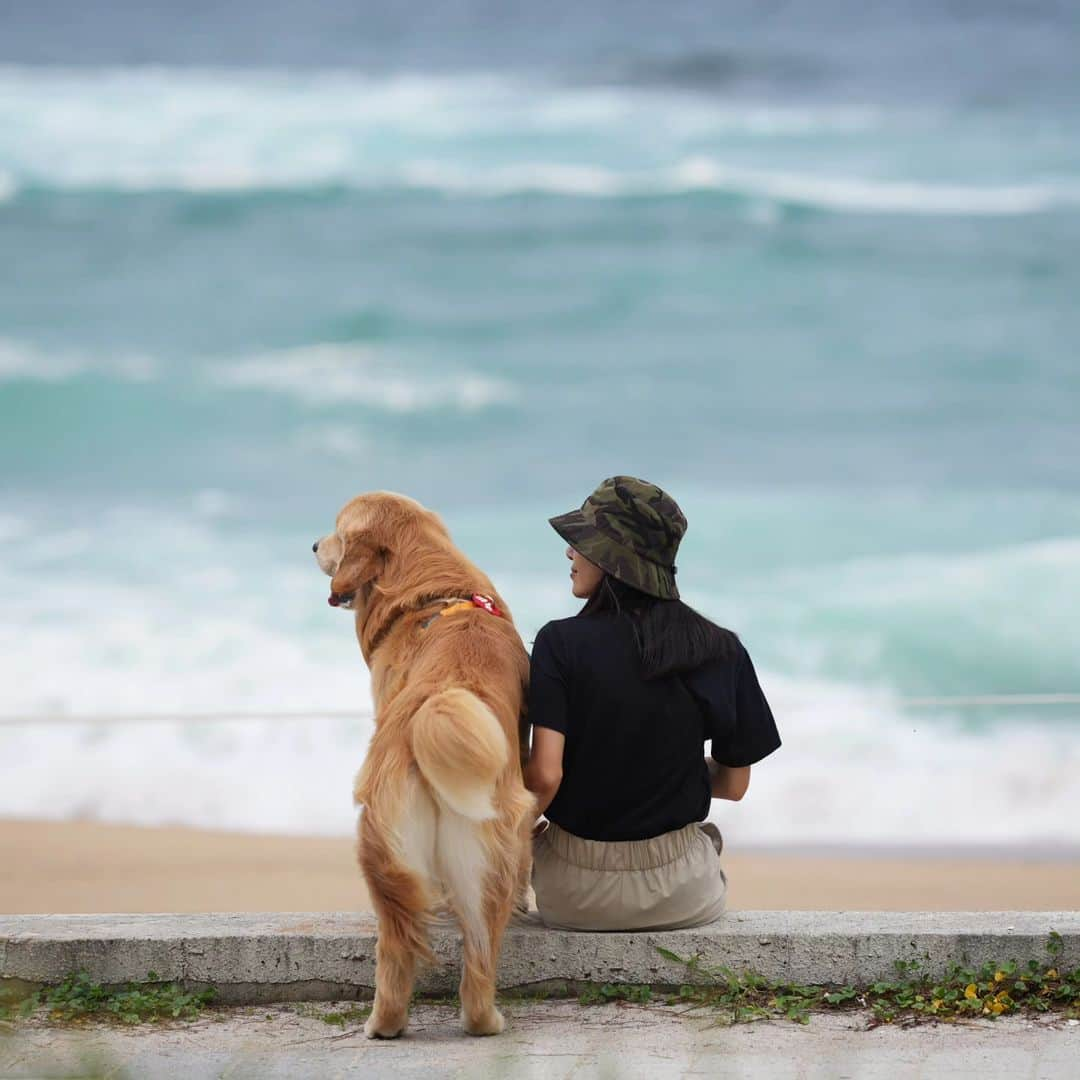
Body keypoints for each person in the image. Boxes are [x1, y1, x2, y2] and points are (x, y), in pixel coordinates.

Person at [523, 475, 781, 931]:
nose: (569, 552)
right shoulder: (720, 648)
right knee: (704, 841)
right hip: (682, 897)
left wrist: (507, 832)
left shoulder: (557, 643)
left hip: (573, 899)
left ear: (612, 558)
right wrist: (664, 769)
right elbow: (734, 786)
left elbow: (546, 775)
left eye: (582, 542)